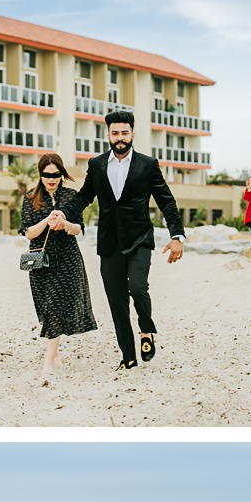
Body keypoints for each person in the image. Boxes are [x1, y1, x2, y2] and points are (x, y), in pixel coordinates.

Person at [68, 110, 185, 371]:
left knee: (138, 288)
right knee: (116, 300)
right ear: (107, 135)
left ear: (132, 134)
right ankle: (128, 356)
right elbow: (84, 196)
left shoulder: (148, 164)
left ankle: (146, 330)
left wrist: (176, 235)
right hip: (109, 243)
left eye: (124, 133)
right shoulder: (96, 165)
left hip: (140, 239)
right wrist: (64, 213)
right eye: (115, 133)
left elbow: (166, 201)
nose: (119, 138)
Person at [20, 154, 97, 375]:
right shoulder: (30, 197)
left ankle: (48, 362)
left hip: (67, 257)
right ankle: (55, 353)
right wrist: (47, 220)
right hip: (40, 260)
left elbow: (78, 229)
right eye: (46, 174)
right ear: (40, 174)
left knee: (56, 305)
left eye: (55, 175)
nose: (51, 179)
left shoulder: (71, 196)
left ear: (61, 174)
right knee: (47, 307)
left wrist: (64, 224)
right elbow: (28, 233)